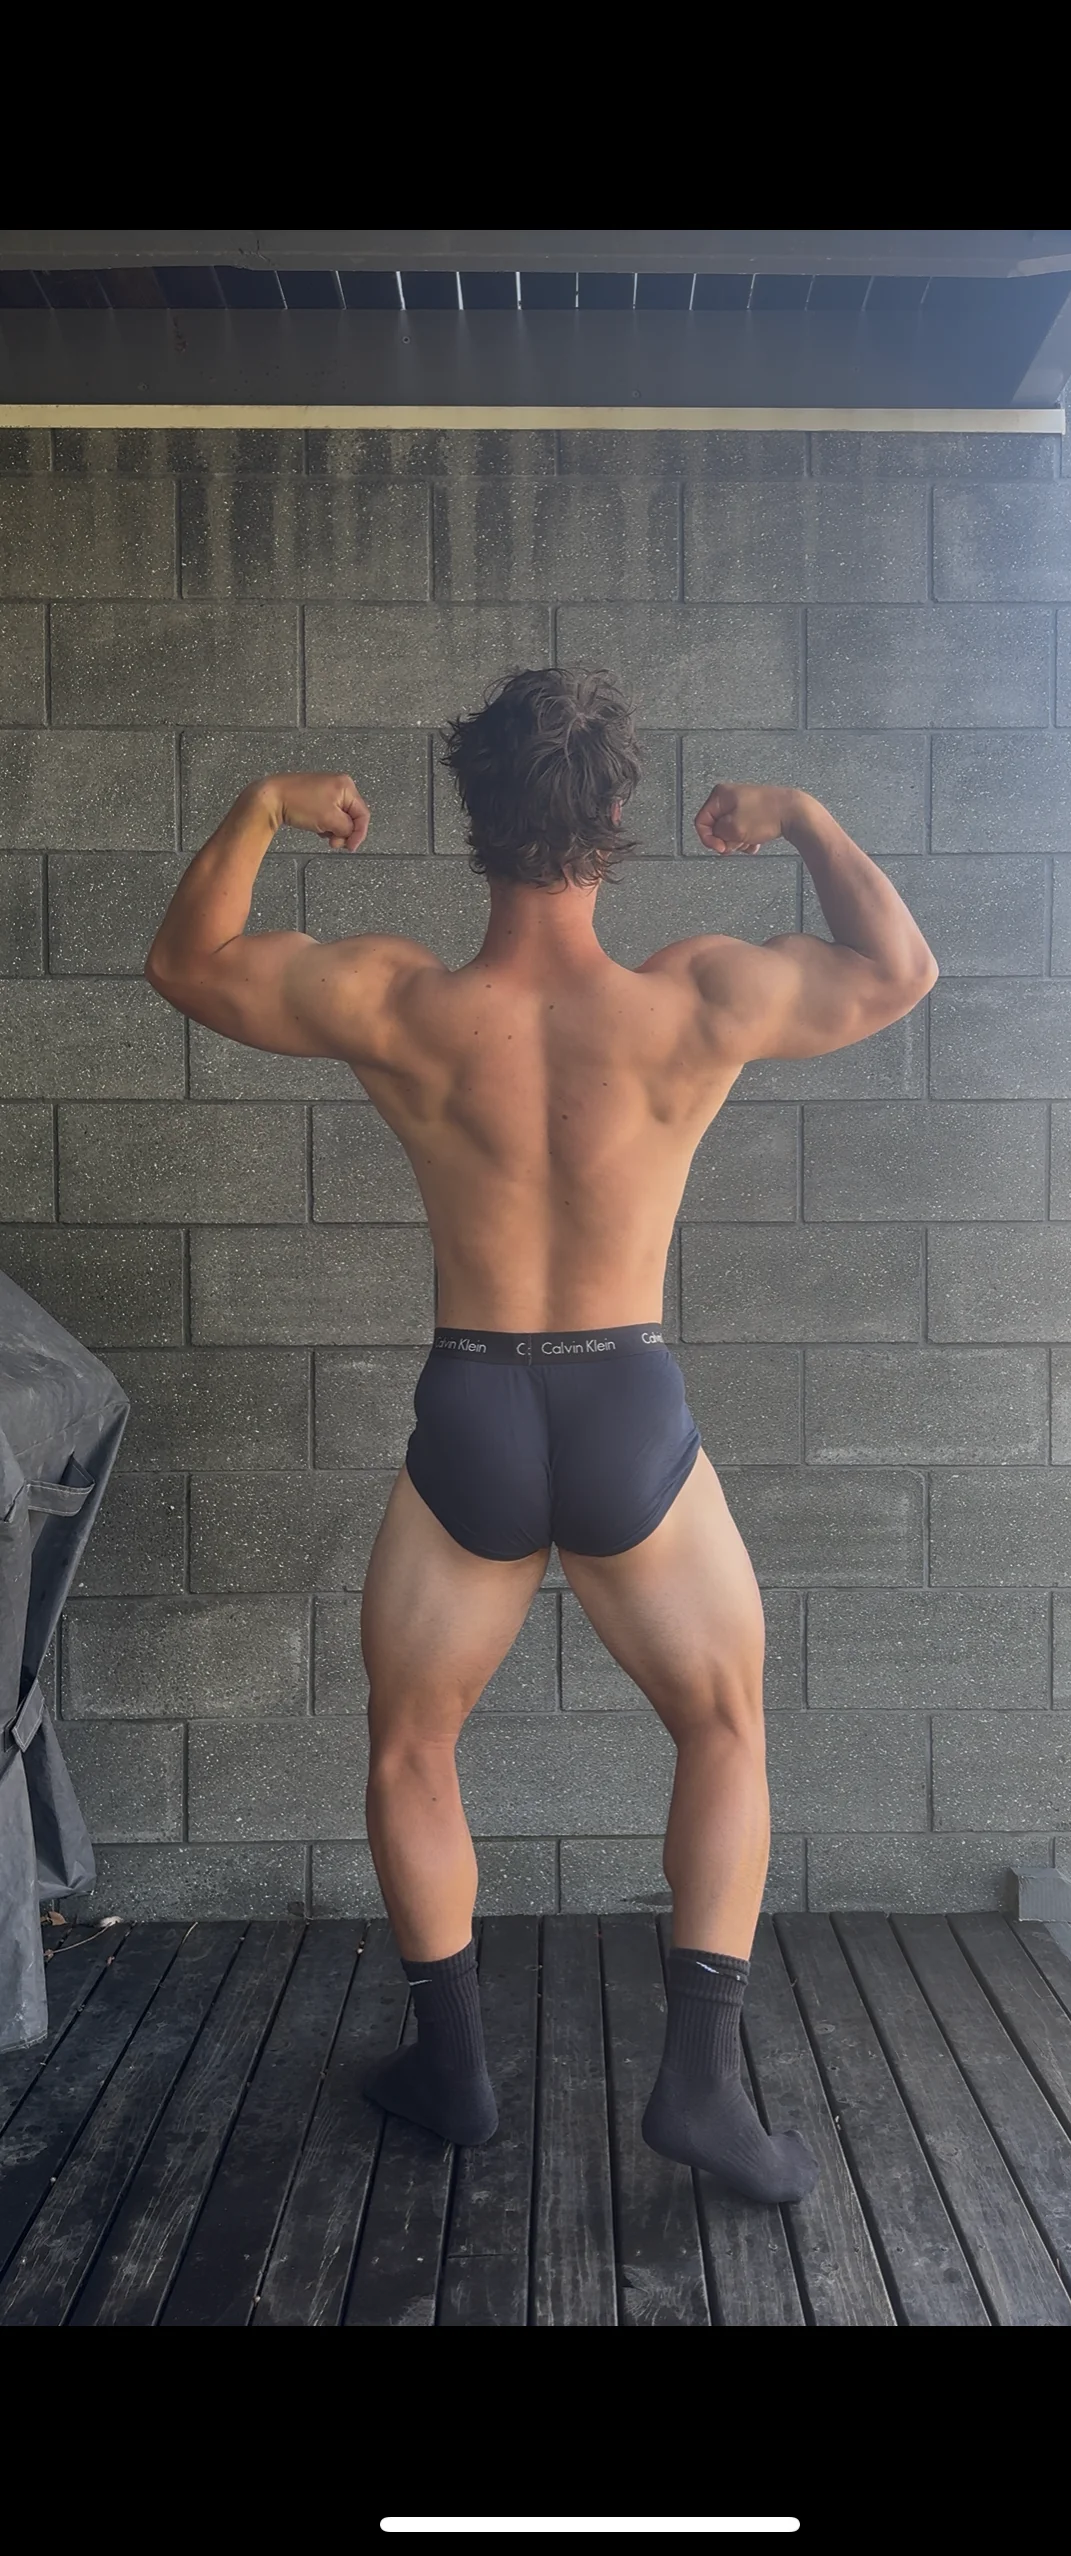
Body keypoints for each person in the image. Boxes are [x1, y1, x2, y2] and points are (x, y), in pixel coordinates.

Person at [144, 666, 938, 2207]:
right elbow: (895, 970)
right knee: (723, 1728)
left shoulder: (402, 1004)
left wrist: (259, 810)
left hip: (476, 1405)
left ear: (473, 819)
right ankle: (700, 2089)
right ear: (618, 814)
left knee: (408, 1741)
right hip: (625, 1401)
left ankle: (451, 2073)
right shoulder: (695, 998)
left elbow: (189, 963)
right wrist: (799, 820)